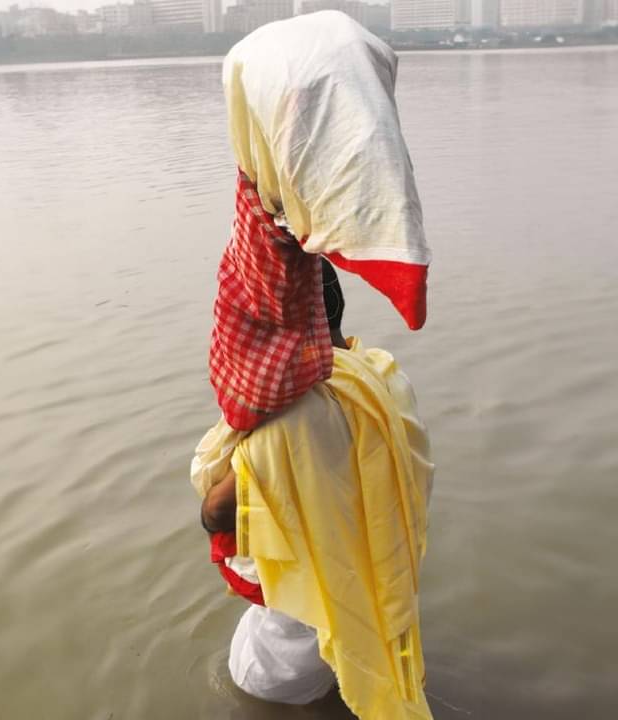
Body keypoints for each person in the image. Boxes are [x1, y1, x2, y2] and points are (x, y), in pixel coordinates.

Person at [190, 13, 437, 718]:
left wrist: (223, 488)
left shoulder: (275, 437)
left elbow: (219, 516)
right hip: (354, 629)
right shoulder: (376, 387)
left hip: (279, 666)